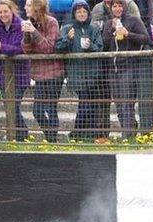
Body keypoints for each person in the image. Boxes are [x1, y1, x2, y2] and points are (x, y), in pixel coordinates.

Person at [55, 0, 103, 140]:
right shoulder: (67, 28)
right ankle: (78, 133)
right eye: (78, 12)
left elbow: (100, 47)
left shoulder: (93, 28)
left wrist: (90, 47)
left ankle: (83, 133)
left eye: (84, 11)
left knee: (89, 105)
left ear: (88, 13)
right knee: (85, 104)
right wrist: (68, 40)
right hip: (76, 73)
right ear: (74, 13)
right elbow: (58, 48)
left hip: (92, 73)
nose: (81, 14)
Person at [101, 0, 148, 138]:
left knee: (127, 104)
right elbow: (104, 43)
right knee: (119, 106)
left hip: (128, 67)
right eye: (114, 6)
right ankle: (131, 133)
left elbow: (146, 38)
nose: (117, 8)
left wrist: (128, 34)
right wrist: (111, 30)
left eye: (120, 5)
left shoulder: (133, 20)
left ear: (124, 7)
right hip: (112, 69)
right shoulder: (109, 23)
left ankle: (127, 137)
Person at [21, 0, 64, 142]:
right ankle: (51, 138)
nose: (25, 7)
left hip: (53, 73)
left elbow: (48, 48)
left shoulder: (52, 22)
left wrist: (34, 32)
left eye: (28, 5)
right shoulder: (30, 22)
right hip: (39, 74)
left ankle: (52, 140)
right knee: (37, 110)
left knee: (51, 109)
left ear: (37, 7)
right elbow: (27, 49)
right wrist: (27, 34)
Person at [0, 0, 30, 140]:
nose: (3, 14)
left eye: (5, 11)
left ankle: (20, 135)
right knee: (9, 105)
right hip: (2, 73)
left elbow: (20, 48)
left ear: (12, 10)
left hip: (20, 73)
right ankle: (17, 136)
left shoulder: (21, 25)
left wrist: (1, 47)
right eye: (0, 12)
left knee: (14, 104)